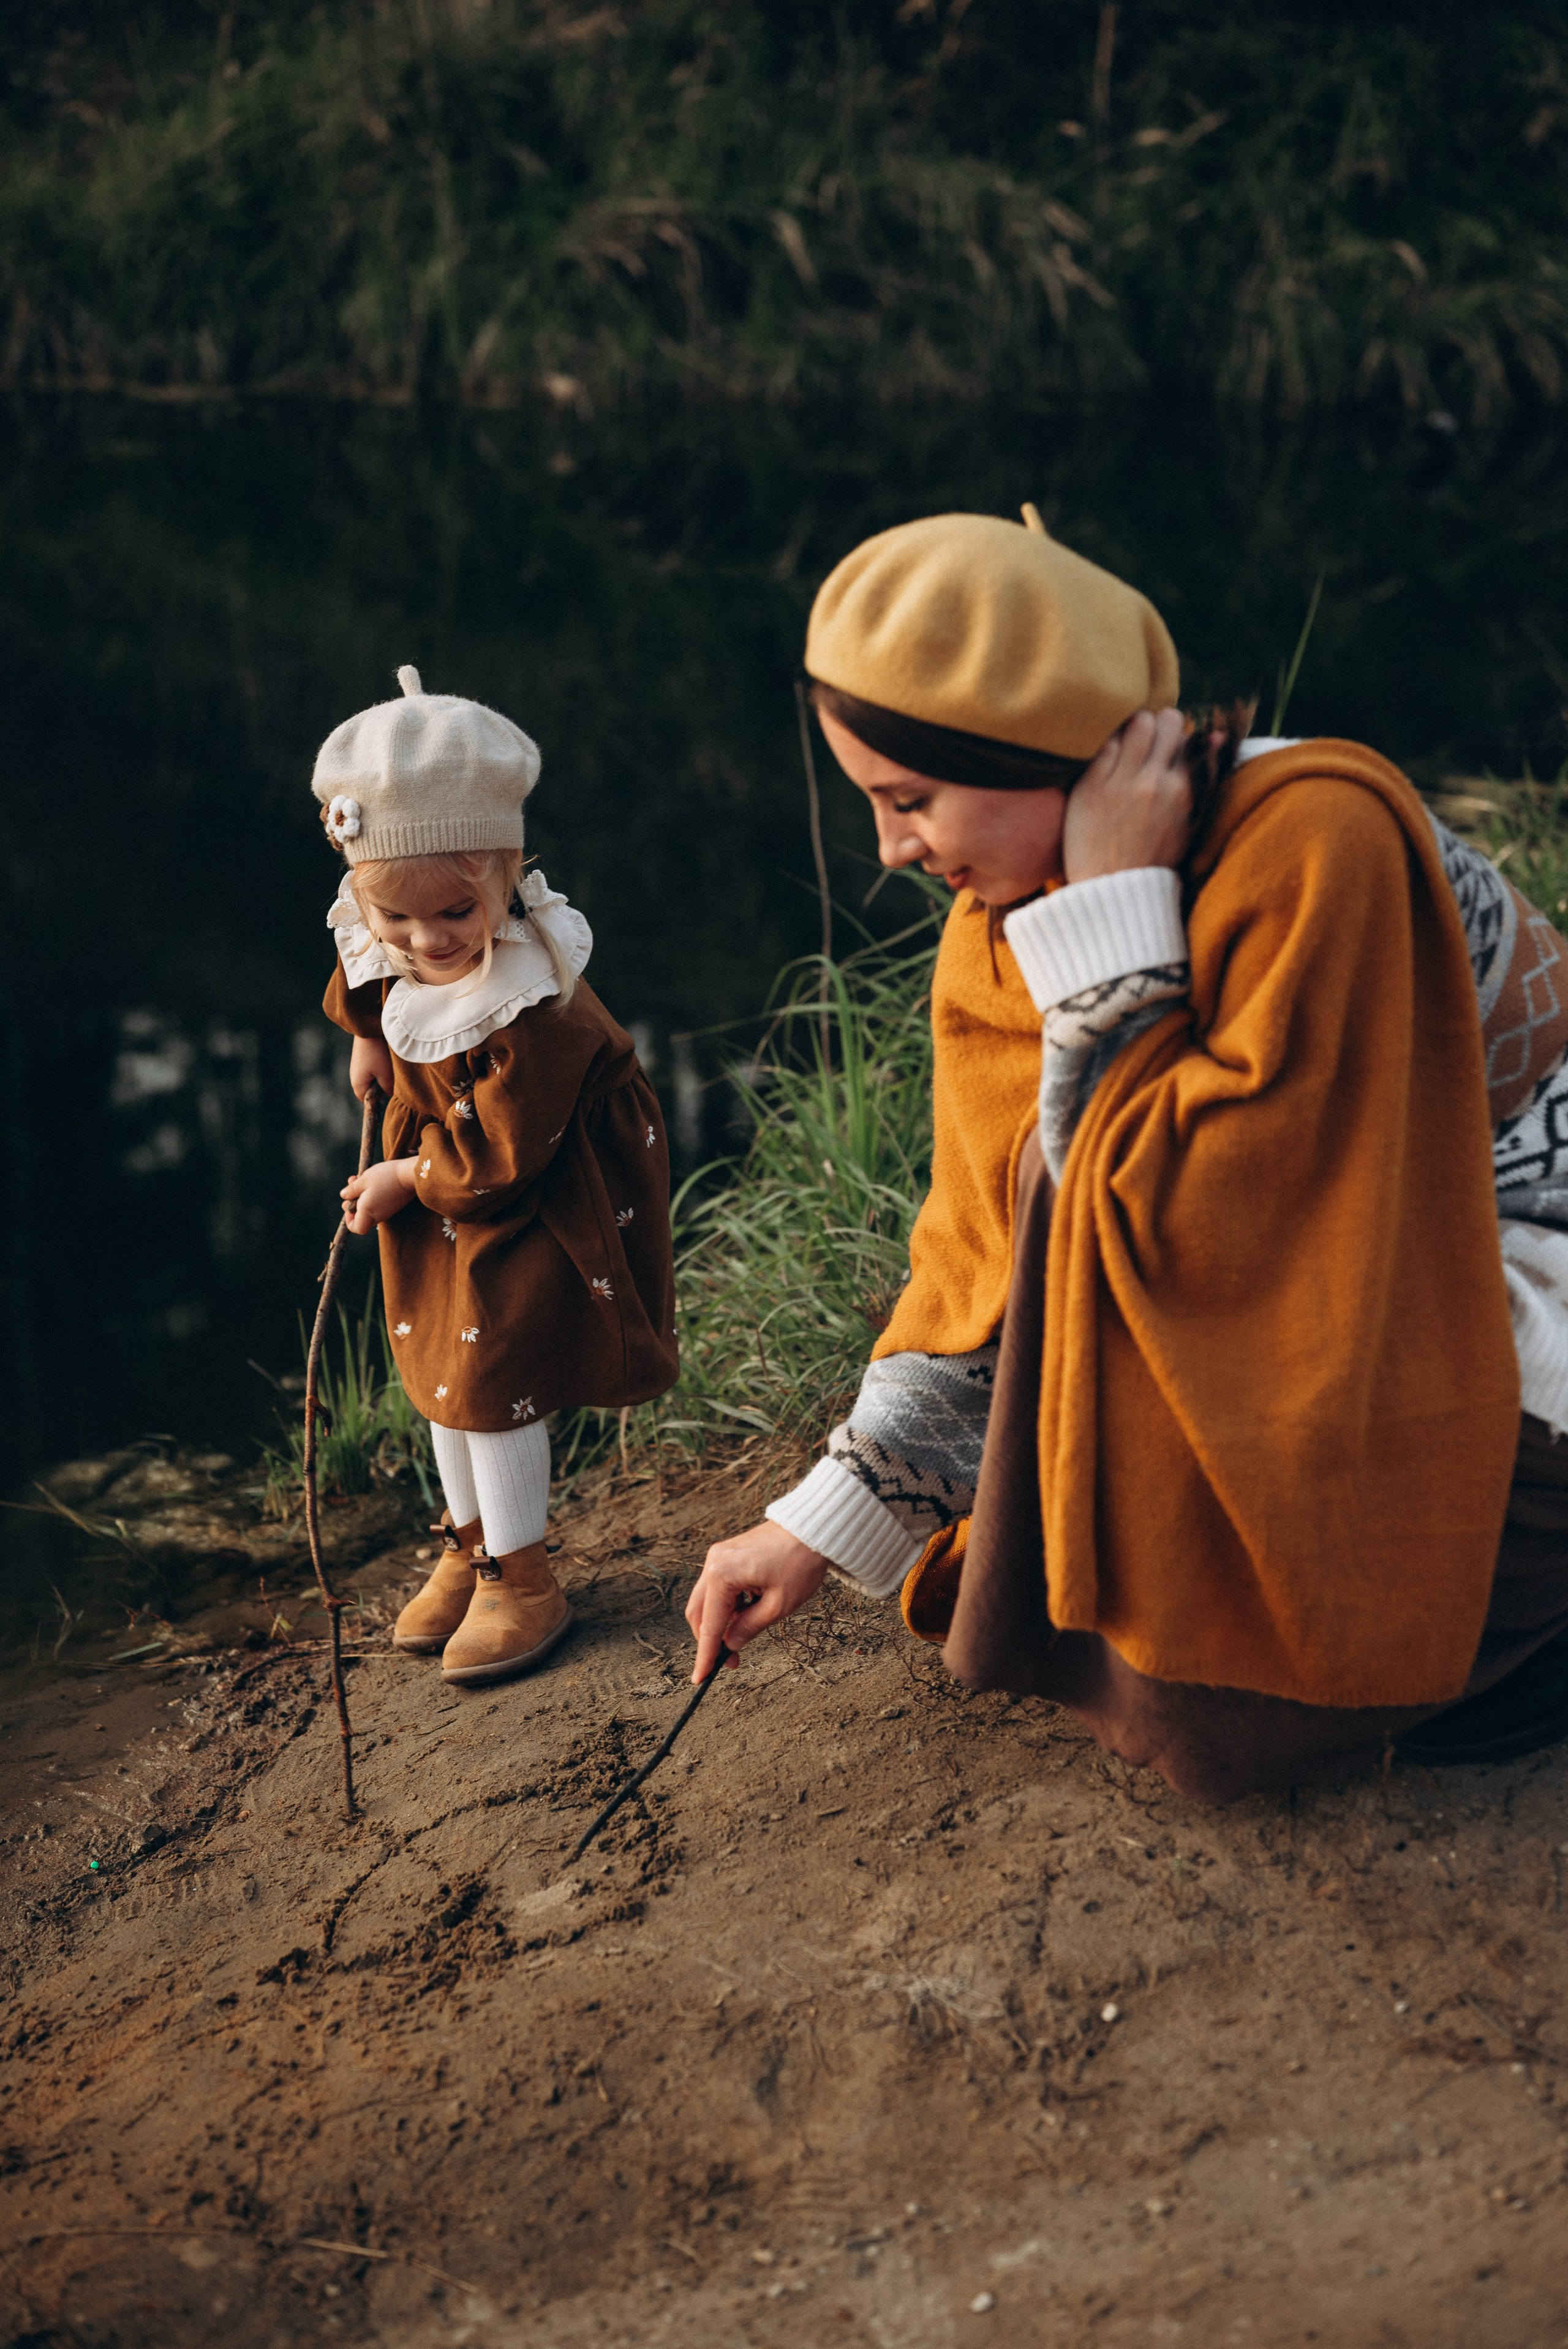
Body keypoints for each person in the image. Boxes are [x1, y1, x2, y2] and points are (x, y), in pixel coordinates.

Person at [687, 508, 1568, 1800]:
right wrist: (821, 1521)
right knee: (1108, 1523)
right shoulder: (1001, 914)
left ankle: (1523, 1619)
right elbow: (993, 1254)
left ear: (1034, 750)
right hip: (1324, 1291)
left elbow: (1209, 1234)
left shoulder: (1315, 840)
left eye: (910, 799)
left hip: (1490, 1269)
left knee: (1241, 1661)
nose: (891, 848)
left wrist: (1112, 914)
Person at [314, 666, 678, 1689]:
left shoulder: (535, 1002)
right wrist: (369, 1037)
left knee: (495, 1381)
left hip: (527, 1188)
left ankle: (523, 1576)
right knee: (444, 1369)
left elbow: (502, 1155)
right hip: (445, 1181)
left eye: (454, 914)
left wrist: (403, 1175)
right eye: (398, 921)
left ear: (507, 875)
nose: (427, 943)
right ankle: (468, 1546)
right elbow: (365, 966)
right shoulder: (395, 927)